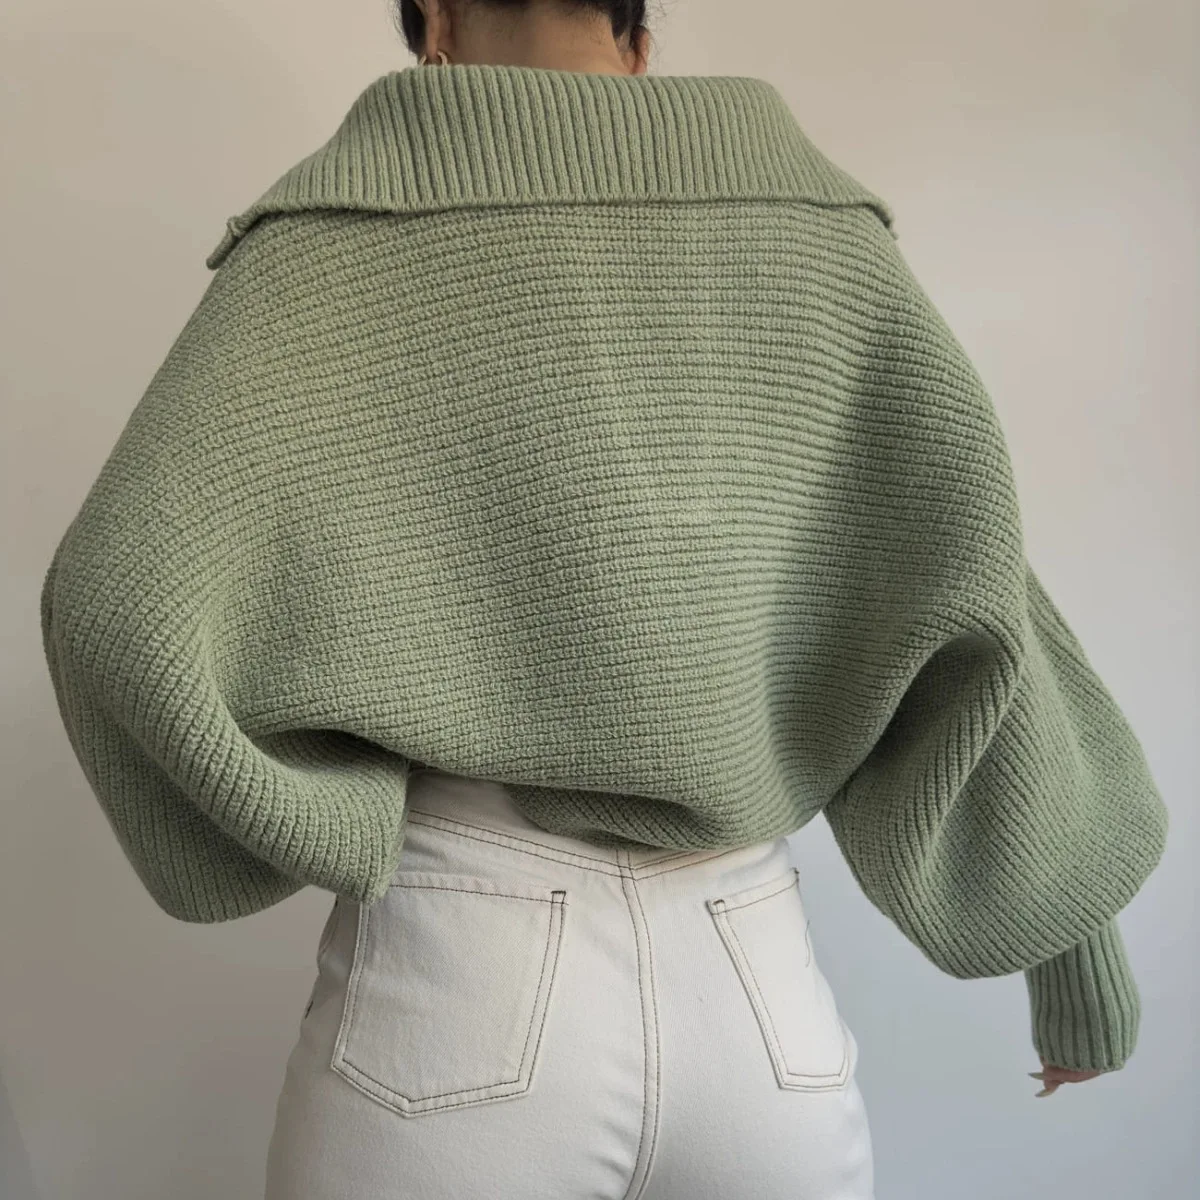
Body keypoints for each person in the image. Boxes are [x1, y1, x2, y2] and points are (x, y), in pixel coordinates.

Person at [38, 1, 1169, 1197]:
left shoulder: (333, 247)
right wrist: (1075, 961)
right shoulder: (821, 241)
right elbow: (974, 597)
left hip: (460, 979)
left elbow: (115, 599)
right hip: (753, 994)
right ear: (638, 34)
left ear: (433, 24)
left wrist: (326, 816)